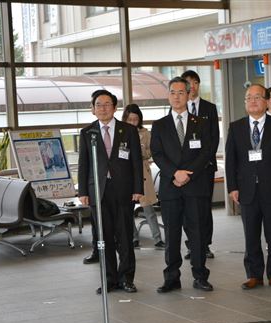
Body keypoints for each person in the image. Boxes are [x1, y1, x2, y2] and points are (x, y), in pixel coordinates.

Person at [225, 84, 271, 290]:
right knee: (251, 234)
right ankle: (254, 274)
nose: (253, 101)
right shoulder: (236, 127)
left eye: (257, 97)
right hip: (247, 190)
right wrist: (232, 187)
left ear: (266, 101)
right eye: (249, 98)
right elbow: (231, 161)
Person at [150, 77, 214, 293]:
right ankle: (171, 277)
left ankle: (200, 275)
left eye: (180, 92)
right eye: (172, 92)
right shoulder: (159, 125)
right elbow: (157, 154)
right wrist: (174, 173)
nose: (176, 96)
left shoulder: (201, 123)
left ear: (188, 94)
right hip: (170, 187)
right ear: (168, 95)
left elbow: (207, 152)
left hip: (194, 186)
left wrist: (189, 174)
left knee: (197, 234)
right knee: (172, 233)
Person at [78, 89, 143, 294]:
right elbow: (83, 164)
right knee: (103, 239)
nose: (103, 108)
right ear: (92, 109)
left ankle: (126, 279)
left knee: (124, 236)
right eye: (98, 104)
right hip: (98, 191)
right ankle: (109, 280)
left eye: (107, 104)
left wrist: (138, 189)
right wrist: (82, 192)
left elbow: (136, 162)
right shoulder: (88, 132)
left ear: (115, 108)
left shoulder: (128, 130)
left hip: (123, 190)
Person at [181, 70, 220, 260]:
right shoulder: (179, 109)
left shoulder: (209, 108)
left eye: (195, 82)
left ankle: (204, 244)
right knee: (188, 208)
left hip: (205, 168)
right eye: (188, 83)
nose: (192, 86)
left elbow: (213, 140)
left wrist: (203, 162)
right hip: (185, 170)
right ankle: (191, 244)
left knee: (204, 207)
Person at [122, 103, 165, 249]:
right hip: (126, 174)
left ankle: (157, 239)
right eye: (130, 119)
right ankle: (134, 238)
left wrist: (141, 151)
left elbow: (150, 153)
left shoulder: (146, 134)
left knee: (148, 209)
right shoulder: (121, 133)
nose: (133, 122)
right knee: (128, 210)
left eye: (136, 119)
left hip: (143, 174)